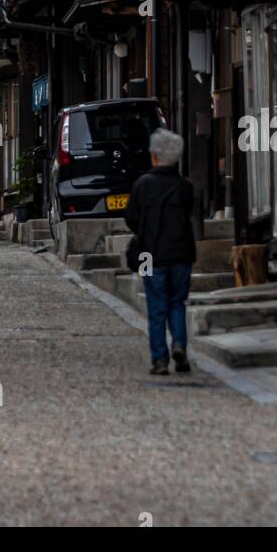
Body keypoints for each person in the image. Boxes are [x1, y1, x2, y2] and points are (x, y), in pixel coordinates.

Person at [125, 128, 196, 375]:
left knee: (156, 307)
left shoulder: (142, 185)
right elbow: (189, 213)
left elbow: (131, 219)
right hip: (181, 253)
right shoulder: (185, 186)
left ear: (154, 156)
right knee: (177, 302)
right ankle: (179, 345)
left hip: (149, 254)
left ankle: (160, 359)